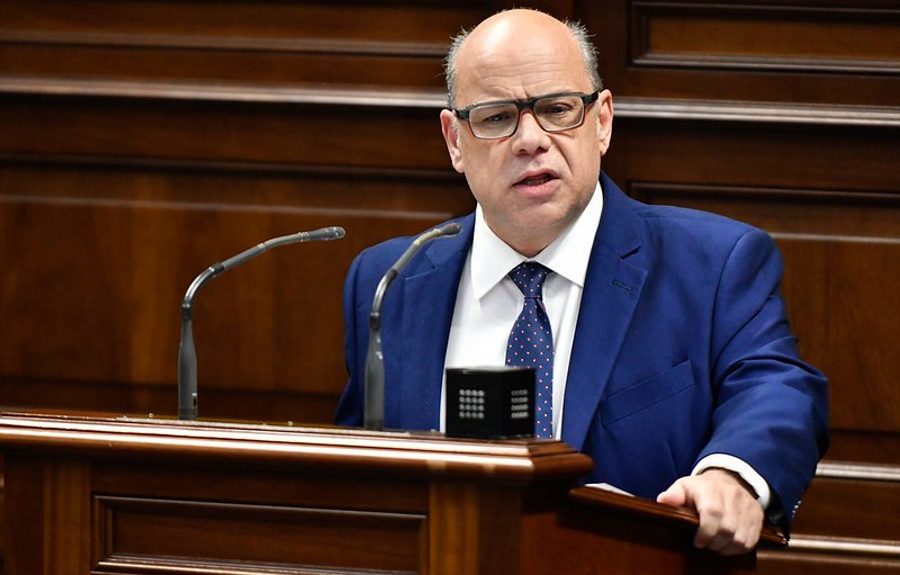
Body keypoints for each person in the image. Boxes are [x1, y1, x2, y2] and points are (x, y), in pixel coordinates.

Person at [335, 8, 828, 556]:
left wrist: (732, 475)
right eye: (497, 118)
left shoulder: (712, 264)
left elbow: (777, 388)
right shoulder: (389, 282)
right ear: (455, 140)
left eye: (557, 110)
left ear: (602, 121)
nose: (530, 140)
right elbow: (361, 486)